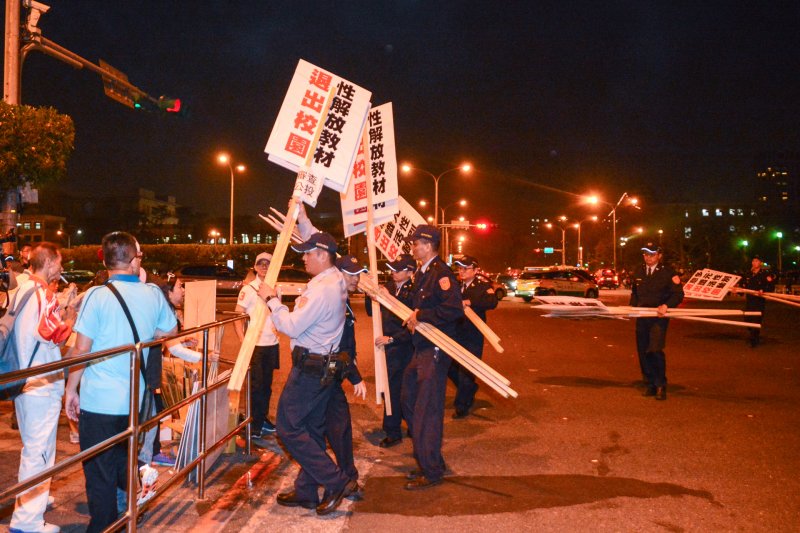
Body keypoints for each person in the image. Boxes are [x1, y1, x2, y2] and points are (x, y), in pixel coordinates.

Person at [65, 232, 177, 532]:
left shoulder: (96, 296)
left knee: (99, 471)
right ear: (132, 260)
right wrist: (144, 335)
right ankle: (125, 519)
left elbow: (81, 348)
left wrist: (70, 390)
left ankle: (103, 526)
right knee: (124, 463)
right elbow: (168, 330)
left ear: (106, 258)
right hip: (134, 400)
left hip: (98, 401)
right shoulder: (153, 293)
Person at [257, 231, 358, 516]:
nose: (303, 258)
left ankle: (336, 481)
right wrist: (300, 215)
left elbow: (290, 326)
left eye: (308, 253)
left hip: (311, 370)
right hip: (322, 369)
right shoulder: (335, 278)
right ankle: (307, 492)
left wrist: (271, 300)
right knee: (311, 430)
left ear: (323, 255)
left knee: (288, 429)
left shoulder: (323, 288)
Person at [9, 243, 75, 533]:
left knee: (33, 447)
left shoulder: (21, 290)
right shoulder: (42, 294)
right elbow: (54, 334)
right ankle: (27, 522)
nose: (60, 269)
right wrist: (71, 316)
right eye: (58, 263)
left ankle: (33, 499)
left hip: (23, 380)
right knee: (39, 451)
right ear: (48, 264)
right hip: (42, 383)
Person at [401, 225, 464, 489]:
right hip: (422, 347)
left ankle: (431, 469)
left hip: (435, 350)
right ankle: (427, 458)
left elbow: (453, 309)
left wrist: (421, 316)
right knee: (407, 397)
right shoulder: (422, 273)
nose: (412, 247)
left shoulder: (441, 273)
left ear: (428, 245)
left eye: (416, 244)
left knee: (427, 409)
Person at [328, 255, 368, 488]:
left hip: (333, 368)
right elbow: (340, 345)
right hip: (330, 368)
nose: (356, 279)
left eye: (358, 273)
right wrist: (355, 376)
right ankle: (346, 478)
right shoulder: (336, 300)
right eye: (351, 273)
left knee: (325, 428)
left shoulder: (344, 299)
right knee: (336, 426)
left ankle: (311, 484)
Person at [233, 252, 281, 439]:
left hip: (272, 343)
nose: (264, 267)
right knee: (255, 386)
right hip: (256, 345)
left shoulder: (276, 288)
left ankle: (263, 418)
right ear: (254, 267)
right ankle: (253, 425)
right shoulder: (249, 289)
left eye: (267, 264)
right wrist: (243, 339)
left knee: (267, 385)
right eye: (260, 264)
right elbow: (238, 316)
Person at [370, 254, 415, 447]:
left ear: (410, 272)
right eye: (392, 268)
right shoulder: (387, 287)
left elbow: (415, 326)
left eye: (398, 269)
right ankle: (393, 429)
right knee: (390, 390)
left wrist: (393, 338)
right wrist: (371, 296)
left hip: (406, 347)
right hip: (387, 348)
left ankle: (409, 427)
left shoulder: (414, 292)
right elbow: (371, 311)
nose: (393, 272)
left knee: (408, 391)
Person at [629, 243, 684, 401]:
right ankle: (650, 384)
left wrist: (666, 305)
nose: (648, 257)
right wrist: (632, 307)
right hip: (642, 316)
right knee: (642, 351)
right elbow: (635, 293)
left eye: (652, 254)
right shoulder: (639, 271)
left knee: (654, 350)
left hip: (658, 318)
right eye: (645, 254)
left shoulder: (668, 273)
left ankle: (660, 384)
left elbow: (678, 294)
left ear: (659, 255)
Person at [449, 255, 497, 418]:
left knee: (467, 370)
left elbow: (492, 302)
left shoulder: (482, 287)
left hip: (472, 334)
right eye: (460, 268)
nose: (461, 271)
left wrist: (470, 302)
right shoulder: (455, 286)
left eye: (465, 268)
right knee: (450, 366)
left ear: (476, 270)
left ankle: (461, 406)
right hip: (455, 333)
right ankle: (469, 389)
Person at [737, 255, 775, 347]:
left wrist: (763, 290)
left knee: (756, 320)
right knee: (748, 320)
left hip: (759, 301)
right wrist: (738, 290)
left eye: (757, 261)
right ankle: (753, 334)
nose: (754, 263)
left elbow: (771, 287)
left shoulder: (765, 274)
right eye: (753, 261)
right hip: (750, 300)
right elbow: (743, 287)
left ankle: (754, 339)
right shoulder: (748, 274)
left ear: (760, 263)